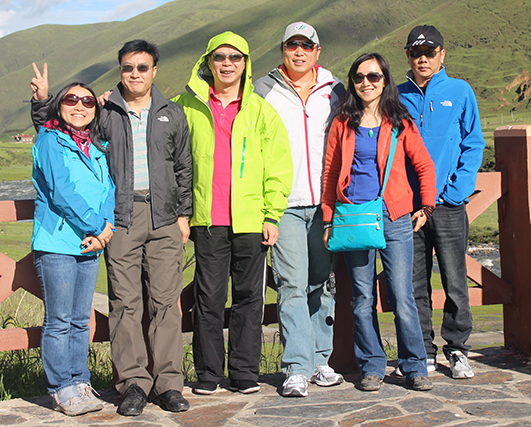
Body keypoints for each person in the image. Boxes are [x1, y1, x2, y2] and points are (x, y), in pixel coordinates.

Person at [30, 39, 193, 416]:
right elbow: (61, 126)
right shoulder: (104, 110)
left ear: (154, 70)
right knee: (125, 302)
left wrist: (184, 214)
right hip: (121, 217)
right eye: (127, 67)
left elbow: (184, 166)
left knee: (166, 303)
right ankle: (133, 383)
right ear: (120, 70)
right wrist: (41, 102)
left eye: (142, 67)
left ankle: (169, 384)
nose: (135, 74)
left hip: (164, 216)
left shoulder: (173, 113)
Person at [172, 31, 292, 395]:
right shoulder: (185, 106)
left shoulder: (261, 111)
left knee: (249, 299)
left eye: (235, 57)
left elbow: (278, 167)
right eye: (220, 57)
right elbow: (165, 147)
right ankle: (208, 374)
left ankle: (244, 373)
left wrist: (271, 215)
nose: (227, 64)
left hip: (251, 220)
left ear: (245, 63)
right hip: (207, 220)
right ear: (208, 62)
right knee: (208, 299)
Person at [321, 53, 437, 392]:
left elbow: (424, 165)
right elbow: (330, 172)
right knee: (361, 298)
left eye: (373, 76)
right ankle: (371, 366)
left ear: (385, 80)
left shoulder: (399, 120)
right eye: (359, 77)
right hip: (354, 217)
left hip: (395, 216)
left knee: (402, 296)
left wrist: (426, 206)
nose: (366, 83)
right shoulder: (343, 122)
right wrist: (328, 218)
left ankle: (414, 366)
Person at [254, 22, 346, 397]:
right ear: (282, 50)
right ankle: (296, 366)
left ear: (317, 51)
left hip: (326, 203)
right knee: (292, 284)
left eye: (306, 46)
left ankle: (321, 361)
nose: (299, 52)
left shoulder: (335, 89)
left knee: (322, 284)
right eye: (292, 45)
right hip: (284, 203)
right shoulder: (262, 89)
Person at [397, 25, 485, 379]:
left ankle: (458, 349)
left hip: (447, 205)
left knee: (454, 280)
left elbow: (473, 143)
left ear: (442, 54)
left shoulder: (460, 91)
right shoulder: (395, 95)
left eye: (430, 52)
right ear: (407, 56)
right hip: (409, 207)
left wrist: (456, 191)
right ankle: (423, 351)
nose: (423, 58)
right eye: (416, 52)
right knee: (414, 283)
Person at [31, 82, 115, 416]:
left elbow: (109, 188)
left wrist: (106, 229)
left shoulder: (96, 145)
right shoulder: (50, 140)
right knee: (59, 320)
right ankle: (61, 387)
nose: (79, 106)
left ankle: (81, 380)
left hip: (91, 244)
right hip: (58, 243)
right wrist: (97, 227)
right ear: (59, 105)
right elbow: (61, 191)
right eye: (71, 99)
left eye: (88, 101)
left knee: (81, 319)